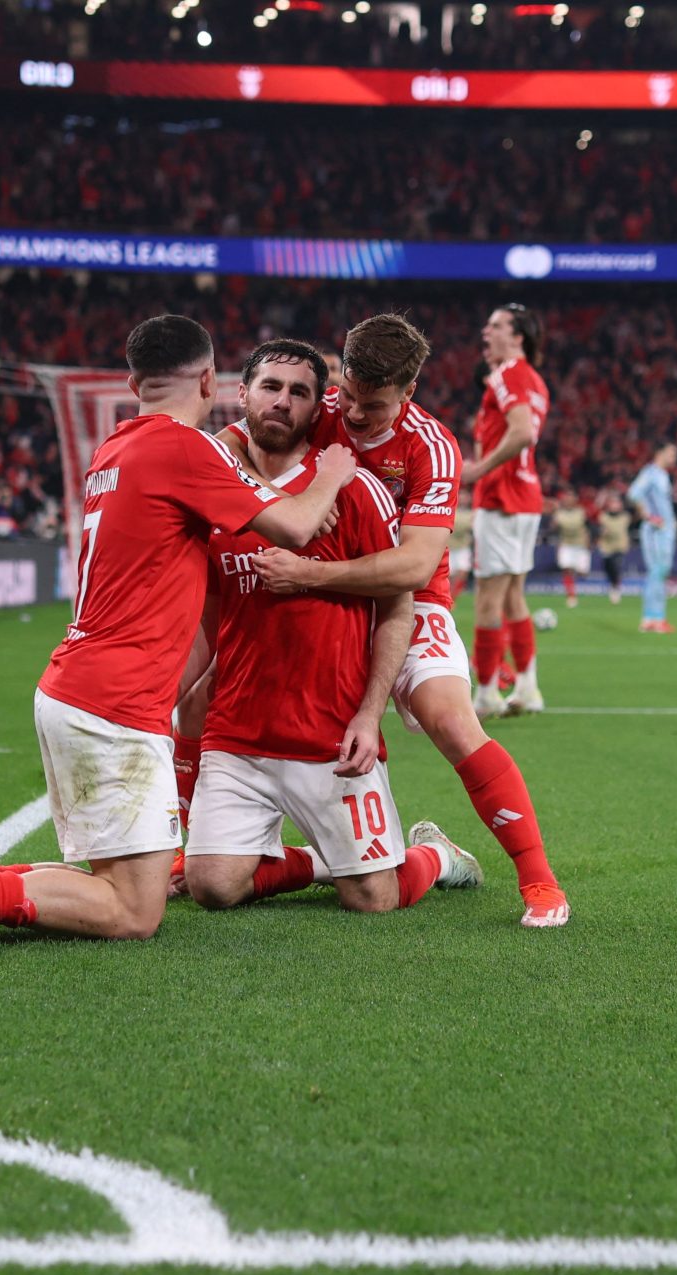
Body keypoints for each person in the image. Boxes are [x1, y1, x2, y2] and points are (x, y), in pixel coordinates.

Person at [0, 315, 357, 949]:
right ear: (209, 380)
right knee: (131, 914)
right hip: (111, 703)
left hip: (84, 686)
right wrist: (333, 472)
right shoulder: (183, 449)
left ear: (131, 382)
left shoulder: (117, 447)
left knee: (118, 888)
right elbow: (298, 527)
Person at [243, 313, 570, 929]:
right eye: (351, 397)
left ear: (409, 392)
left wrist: (311, 572)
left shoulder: (431, 446)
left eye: (377, 405)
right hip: (318, 600)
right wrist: (291, 503)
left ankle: (539, 881)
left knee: (450, 720)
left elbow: (416, 566)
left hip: (402, 600)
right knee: (217, 690)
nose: (358, 416)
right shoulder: (320, 408)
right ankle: (207, 854)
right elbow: (239, 444)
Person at [182, 337, 482, 915]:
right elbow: (207, 616)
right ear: (242, 395)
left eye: (299, 393)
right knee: (213, 888)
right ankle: (326, 859)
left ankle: (434, 856)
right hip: (239, 738)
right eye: (270, 387)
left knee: (374, 898)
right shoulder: (218, 491)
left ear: (320, 405)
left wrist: (370, 715)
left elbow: (398, 606)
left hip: (329, 738)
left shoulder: (358, 489)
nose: (282, 402)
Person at [464, 304, 551, 719]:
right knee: (515, 596)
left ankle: (485, 694)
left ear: (518, 337)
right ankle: (529, 688)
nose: (486, 331)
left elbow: (522, 431)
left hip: (500, 498)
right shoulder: (536, 381)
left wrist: (478, 469)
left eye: (496, 325)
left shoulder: (507, 374)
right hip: (528, 496)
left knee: (488, 599)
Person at [630, 442, 677, 633]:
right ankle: (653, 618)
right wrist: (649, 516)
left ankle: (654, 618)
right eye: (672, 453)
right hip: (655, 532)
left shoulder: (663, 475)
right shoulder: (650, 472)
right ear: (660, 452)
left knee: (661, 572)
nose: (674, 457)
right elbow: (634, 493)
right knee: (656, 571)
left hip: (665, 532)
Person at [550, 488, 591, 609]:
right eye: (566, 498)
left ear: (575, 500)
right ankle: (571, 596)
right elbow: (553, 529)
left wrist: (588, 543)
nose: (568, 500)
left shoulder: (581, 512)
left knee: (582, 573)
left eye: (570, 498)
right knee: (567, 569)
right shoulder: (559, 513)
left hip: (581, 544)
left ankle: (578, 590)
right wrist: (553, 521)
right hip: (566, 544)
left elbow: (588, 528)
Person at [597, 490, 632, 605]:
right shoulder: (603, 517)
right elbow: (599, 531)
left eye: (617, 504)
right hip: (607, 546)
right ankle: (613, 585)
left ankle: (616, 587)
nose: (615, 506)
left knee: (616, 566)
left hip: (620, 546)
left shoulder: (625, 517)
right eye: (612, 503)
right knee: (608, 568)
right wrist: (602, 533)